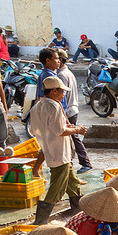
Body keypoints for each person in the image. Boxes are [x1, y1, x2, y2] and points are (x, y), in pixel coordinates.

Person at [29, 76, 86, 224]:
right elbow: (59, 130)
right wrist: (77, 130)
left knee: (72, 183)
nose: (63, 95)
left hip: (50, 150)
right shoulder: (53, 106)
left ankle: (78, 211)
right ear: (54, 91)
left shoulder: (37, 106)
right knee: (57, 188)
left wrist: (67, 128)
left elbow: (34, 129)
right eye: (61, 92)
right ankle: (40, 221)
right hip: (59, 152)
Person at [56, 52, 91, 173]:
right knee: (72, 137)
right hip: (73, 108)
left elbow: (62, 97)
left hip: (69, 110)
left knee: (72, 137)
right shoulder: (67, 73)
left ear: (60, 60)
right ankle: (79, 162)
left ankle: (84, 162)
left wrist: (62, 115)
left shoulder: (61, 75)